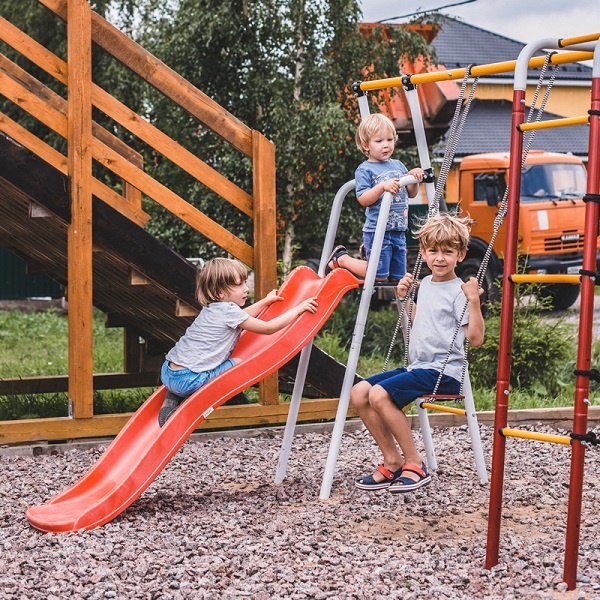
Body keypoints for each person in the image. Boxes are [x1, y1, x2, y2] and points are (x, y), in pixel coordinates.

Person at [350, 213, 484, 493]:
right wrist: (404, 298)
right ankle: (393, 460)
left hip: (444, 372)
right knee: (360, 392)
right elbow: (419, 321)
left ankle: (415, 463)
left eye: (448, 252)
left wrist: (473, 300)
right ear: (423, 252)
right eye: (433, 251)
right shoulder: (424, 286)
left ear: (460, 255)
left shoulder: (459, 291)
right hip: (419, 367)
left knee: (379, 394)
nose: (439, 258)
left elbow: (476, 339)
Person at [158, 257, 318, 426]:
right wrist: (298, 310)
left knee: (199, 370)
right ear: (219, 293)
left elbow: (243, 317)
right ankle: (184, 404)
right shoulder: (229, 312)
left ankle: (173, 394)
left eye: (244, 283)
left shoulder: (212, 309)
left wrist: (265, 302)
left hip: (168, 372)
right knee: (239, 364)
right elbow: (268, 328)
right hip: (190, 380)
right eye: (239, 284)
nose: (246, 289)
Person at [325, 113, 425, 282]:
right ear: (366, 145)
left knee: (398, 278)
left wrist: (413, 177)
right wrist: (381, 187)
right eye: (379, 141)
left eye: (389, 140)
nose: (386, 145)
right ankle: (342, 259)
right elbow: (363, 198)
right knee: (378, 275)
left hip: (399, 230)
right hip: (378, 231)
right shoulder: (365, 169)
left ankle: (369, 259)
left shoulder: (398, 165)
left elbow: (411, 193)